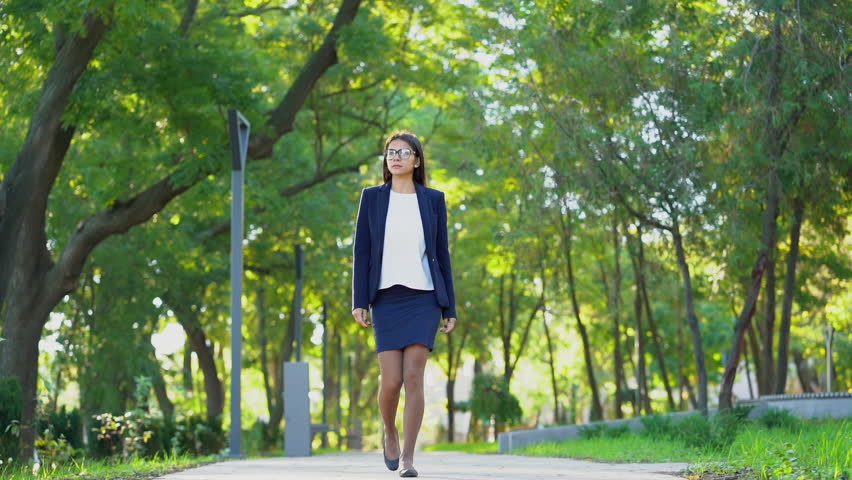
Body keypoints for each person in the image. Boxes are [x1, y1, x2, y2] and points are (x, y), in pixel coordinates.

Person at [351, 131, 457, 478]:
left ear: (417, 160)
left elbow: (442, 255)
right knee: (391, 381)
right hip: (385, 298)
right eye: (390, 152)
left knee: (414, 377)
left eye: (403, 152)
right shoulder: (372, 199)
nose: (395, 157)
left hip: (424, 297)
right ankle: (390, 431)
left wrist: (449, 307)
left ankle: (409, 458)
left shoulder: (433, 200)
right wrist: (359, 300)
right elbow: (362, 251)